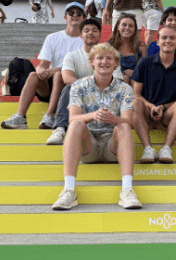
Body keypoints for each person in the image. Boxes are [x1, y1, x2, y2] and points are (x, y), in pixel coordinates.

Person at [51, 43, 141, 210]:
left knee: (123, 127)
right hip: (88, 145)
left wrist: (113, 118)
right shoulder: (79, 86)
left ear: (115, 63)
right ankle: (69, 190)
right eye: (100, 58)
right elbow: (73, 117)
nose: (104, 62)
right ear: (92, 62)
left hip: (112, 147)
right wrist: (93, 116)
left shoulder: (125, 88)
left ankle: (127, 190)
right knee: (76, 124)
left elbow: (128, 121)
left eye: (109, 58)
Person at [1, 2, 85, 129]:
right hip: (50, 85)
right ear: (65, 17)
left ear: (84, 18)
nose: (74, 15)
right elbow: (43, 64)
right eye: (70, 13)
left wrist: (53, 71)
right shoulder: (53, 38)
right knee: (34, 75)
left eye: (79, 13)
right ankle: (20, 116)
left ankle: (50, 115)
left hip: (71, 86)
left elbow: (78, 68)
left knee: (58, 74)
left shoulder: (86, 41)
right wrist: (41, 70)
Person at [46, 19, 123, 145]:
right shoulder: (72, 56)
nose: (90, 33)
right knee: (68, 89)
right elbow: (67, 78)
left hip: (105, 97)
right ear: (81, 36)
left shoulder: (110, 56)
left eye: (94, 30)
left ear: (100, 34)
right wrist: (89, 90)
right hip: (81, 100)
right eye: (86, 31)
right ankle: (60, 129)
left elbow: (118, 81)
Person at [132, 26, 176, 164]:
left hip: (167, 115)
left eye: (172, 38)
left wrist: (162, 107)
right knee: (135, 103)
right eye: (164, 37)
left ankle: (166, 149)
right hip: (146, 112)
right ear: (157, 41)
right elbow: (136, 95)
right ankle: (148, 148)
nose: (168, 41)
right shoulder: (144, 63)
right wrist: (152, 107)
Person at [107, 13, 147, 85]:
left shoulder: (141, 47)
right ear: (118, 27)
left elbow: (145, 69)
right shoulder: (108, 46)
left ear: (135, 29)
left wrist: (135, 72)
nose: (127, 28)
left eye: (131, 26)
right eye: (124, 25)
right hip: (113, 82)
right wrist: (120, 75)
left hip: (135, 83)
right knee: (124, 78)